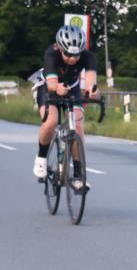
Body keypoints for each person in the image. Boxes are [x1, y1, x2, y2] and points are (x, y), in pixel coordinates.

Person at [32, 24, 99, 191]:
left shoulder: (88, 56)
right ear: (60, 48)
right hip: (49, 86)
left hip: (72, 87)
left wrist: (92, 90)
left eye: (76, 55)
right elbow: (52, 84)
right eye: (68, 54)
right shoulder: (51, 53)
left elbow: (91, 80)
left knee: (78, 127)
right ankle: (41, 158)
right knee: (51, 121)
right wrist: (57, 88)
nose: (72, 59)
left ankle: (78, 175)